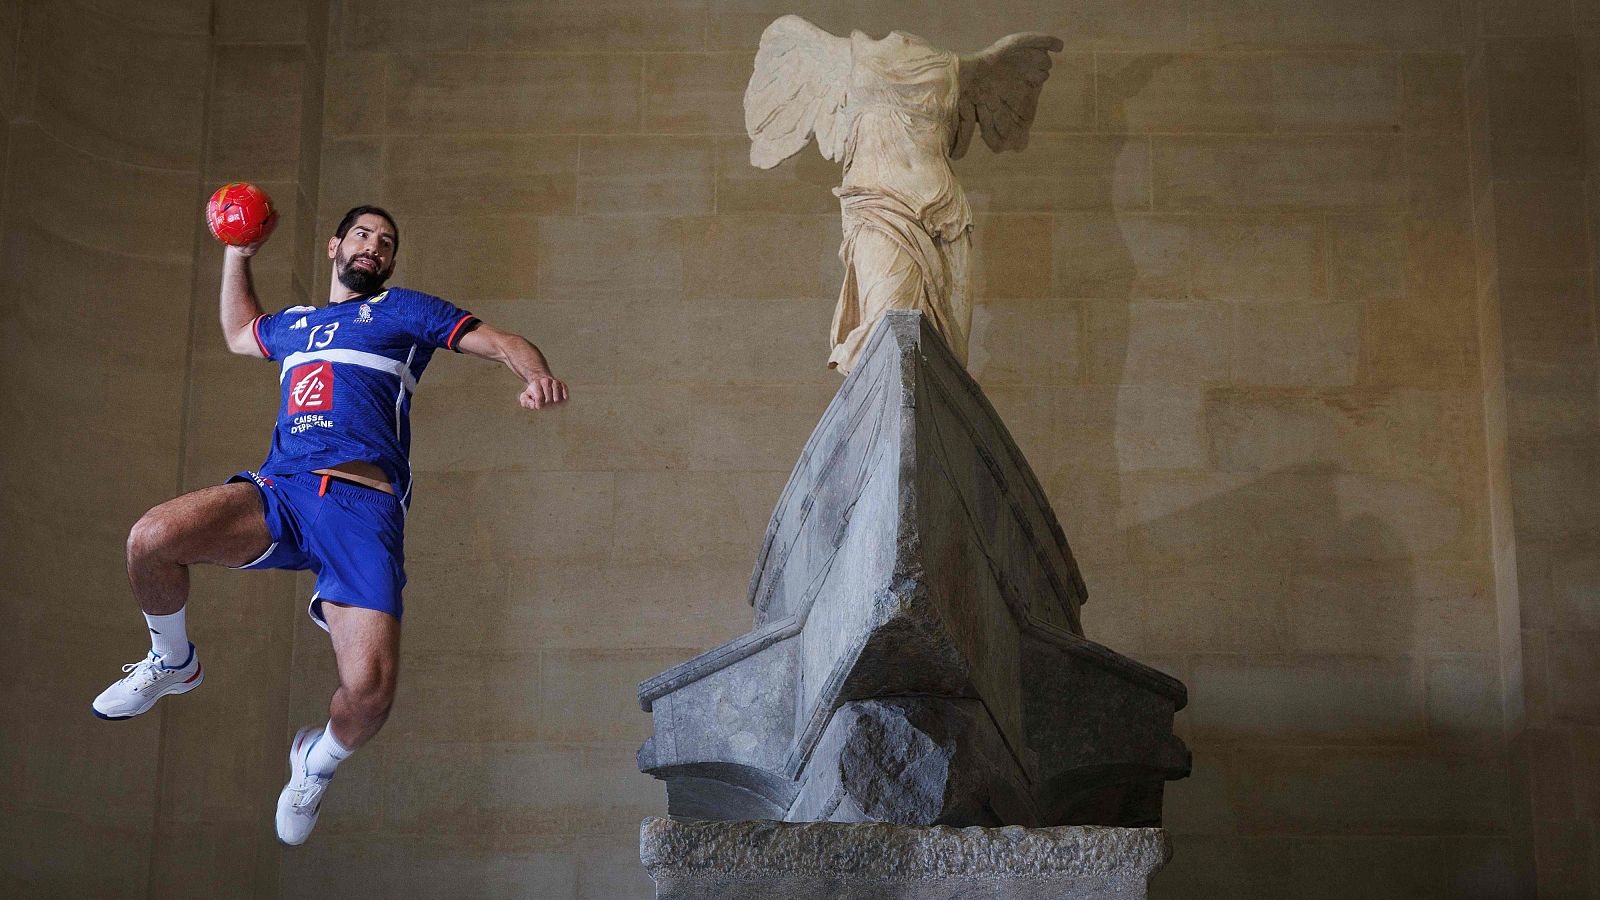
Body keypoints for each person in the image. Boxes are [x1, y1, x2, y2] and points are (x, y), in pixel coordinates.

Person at [90, 205, 568, 846]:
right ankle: (172, 661)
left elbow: (502, 342)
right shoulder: (295, 326)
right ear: (336, 246)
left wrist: (536, 375)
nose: (375, 246)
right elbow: (239, 334)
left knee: (370, 694)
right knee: (151, 539)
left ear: (391, 263)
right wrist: (238, 250)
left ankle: (314, 764)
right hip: (281, 493)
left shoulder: (402, 312)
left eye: (387, 242)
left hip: (361, 509)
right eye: (364, 235)